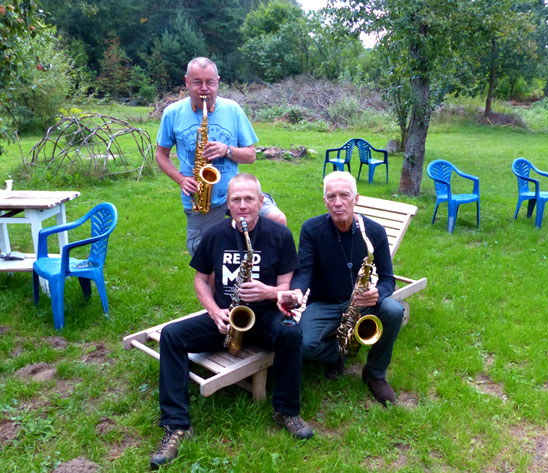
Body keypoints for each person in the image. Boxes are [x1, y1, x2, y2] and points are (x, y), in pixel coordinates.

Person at [149, 173, 312, 470]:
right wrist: (214, 311)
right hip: (225, 316)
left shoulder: (280, 236)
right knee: (172, 336)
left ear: (261, 202)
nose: (243, 205)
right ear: (228, 204)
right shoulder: (215, 234)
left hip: (263, 317)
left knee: (291, 334)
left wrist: (269, 292)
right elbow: (200, 280)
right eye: (236, 200)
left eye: (250, 199)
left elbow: (288, 290)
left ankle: (286, 411)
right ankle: (176, 426)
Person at [278, 171, 404, 406]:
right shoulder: (311, 229)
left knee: (394, 311)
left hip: (360, 302)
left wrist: (379, 293)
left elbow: (387, 278)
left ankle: (375, 373)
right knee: (305, 346)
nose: (337, 203)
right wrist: (296, 291)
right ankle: (339, 353)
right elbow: (303, 271)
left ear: (356, 198)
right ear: (324, 200)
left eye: (344, 195)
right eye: (331, 196)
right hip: (323, 301)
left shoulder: (374, 231)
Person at [155, 56, 286, 255]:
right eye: (198, 82)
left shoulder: (232, 109)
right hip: (199, 197)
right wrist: (181, 179)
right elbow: (161, 155)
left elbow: (251, 156)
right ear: (187, 82)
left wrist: (228, 150)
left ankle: (265, 272)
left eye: (210, 82)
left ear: (218, 82)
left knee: (277, 219)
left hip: (235, 192)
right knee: (206, 257)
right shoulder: (172, 113)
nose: (204, 88)